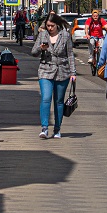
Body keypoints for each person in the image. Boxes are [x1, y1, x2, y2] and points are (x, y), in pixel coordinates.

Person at [30, 11, 76, 139]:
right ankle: (44, 128)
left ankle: (57, 128)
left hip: (62, 71)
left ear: (57, 25)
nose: (49, 28)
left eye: (52, 26)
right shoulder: (43, 34)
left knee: (59, 101)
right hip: (45, 70)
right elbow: (33, 52)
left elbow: (70, 54)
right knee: (46, 98)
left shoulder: (65, 35)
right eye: (48, 25)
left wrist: (73, 73)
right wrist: (40, 48)